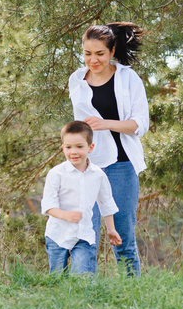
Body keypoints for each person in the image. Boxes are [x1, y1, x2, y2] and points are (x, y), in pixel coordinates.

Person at [68, 23, 149, 276]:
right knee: (84, 234)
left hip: (122, 166)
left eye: (100, 54)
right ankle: (84, 294)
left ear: (112, 51)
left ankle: (131, 293)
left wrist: (106, 124)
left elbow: (140, 124)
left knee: (123, 236)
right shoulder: (76, 80)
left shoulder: (128, 78)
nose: (93, 60)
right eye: (87, 53)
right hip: (88, 167)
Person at [40, 120, 122, 275]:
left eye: (79, 146)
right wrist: (65, 215)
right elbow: (48, 205)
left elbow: (106, 203)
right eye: (69, 147)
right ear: (63, 148)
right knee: (57, 277)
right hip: (58, 234)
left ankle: (85, 298)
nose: (74, 152)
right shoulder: (56, 174)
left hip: (84, 235)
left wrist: (111, 229)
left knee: (83, 276)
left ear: (90, 148)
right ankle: (59, 299)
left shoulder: (98, 175)